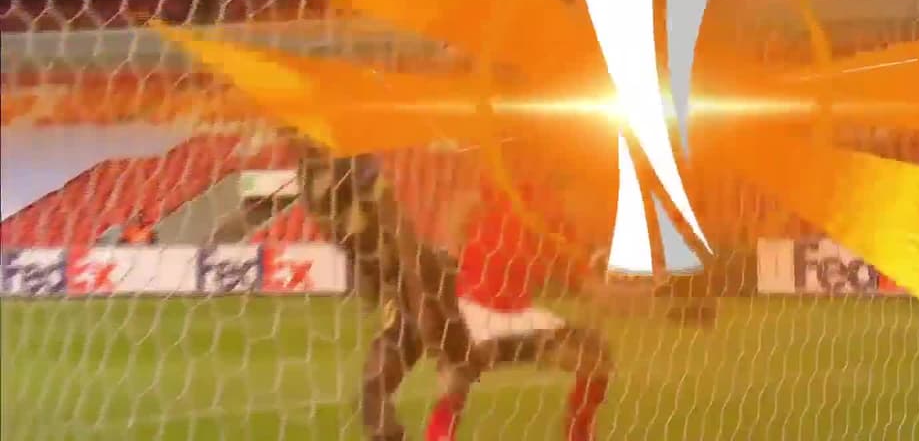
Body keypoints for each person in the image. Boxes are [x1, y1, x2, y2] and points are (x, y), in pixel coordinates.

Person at [209, 137, 470, 441]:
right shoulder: (312, 177)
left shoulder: (349, 165)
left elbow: (398, 228)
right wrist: (378, 288)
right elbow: (357, 243)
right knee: (384, 388)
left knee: (425, 380)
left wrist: (419, 300)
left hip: (420, 283)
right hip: (403, 288)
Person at [426, 176, 647, 441]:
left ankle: (579, 435)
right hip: (474, 311)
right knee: (457, 375)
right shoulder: (487, 196)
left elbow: (591, 287)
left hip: (522, 317)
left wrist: (644, 292)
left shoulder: (548, 230)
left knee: (594, 355)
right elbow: (452, 232)